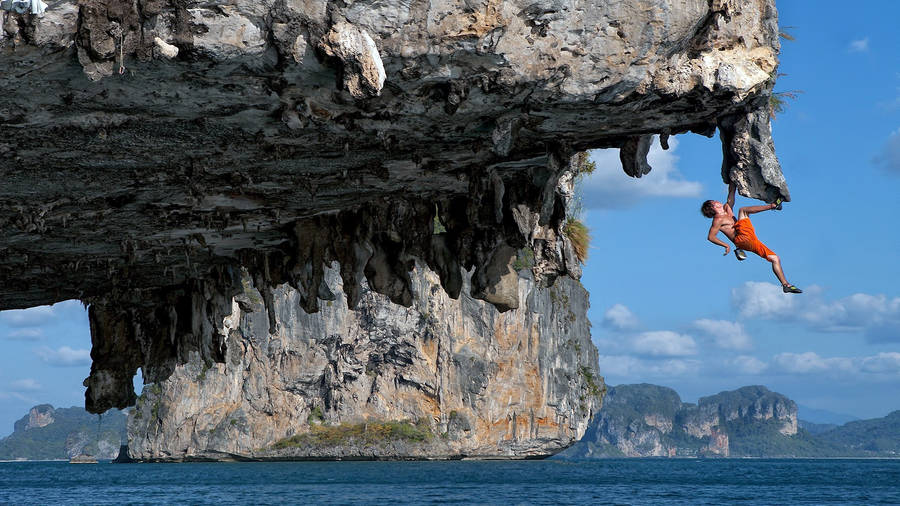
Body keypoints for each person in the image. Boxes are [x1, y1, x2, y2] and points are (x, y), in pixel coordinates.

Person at [701, 183, 802, 294]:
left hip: (750, 241)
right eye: (714, 202)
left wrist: (732, 180)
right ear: (712, 207)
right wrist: (726, 245)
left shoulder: (727, 209)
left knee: (775, 258)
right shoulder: (718, 219)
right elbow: (711, 237)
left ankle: (786, 285)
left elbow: (731, 193)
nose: (716, 201)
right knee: (743, 210)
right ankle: (773, 206)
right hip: (742, 239)